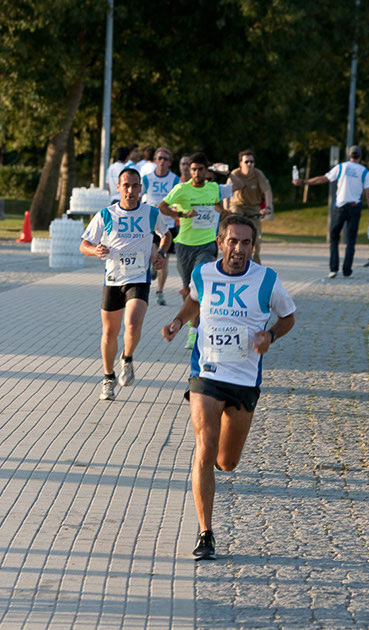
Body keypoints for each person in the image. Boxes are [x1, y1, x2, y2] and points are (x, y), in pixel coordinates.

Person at [162, 215, 295, 559]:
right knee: (204, 449)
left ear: (253, 246)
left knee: (227, 461)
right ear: (220, 243)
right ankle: (206, 532)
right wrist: (178, 320)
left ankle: (220, 461)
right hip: (206, 372)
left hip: (244, 380)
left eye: (246, 243)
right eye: (232, 241)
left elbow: (288, 317)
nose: (239, 249)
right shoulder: (203, 273)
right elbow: (195, 300)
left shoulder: (267, 279)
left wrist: (270, 335)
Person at [80, 168, 171, 401]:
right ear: (119, 187)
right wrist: (95, 250)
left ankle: (127, 358)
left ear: (141, 188)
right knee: (110, 333)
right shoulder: (106, 214)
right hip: (113, 279)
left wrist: (161, 253)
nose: (130, 190)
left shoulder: (151, 213)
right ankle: (108, 376)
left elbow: (166, 235)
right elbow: (84, 244)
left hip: (138, 278)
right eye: (126, 186)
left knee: (132, 324)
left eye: (135, 185)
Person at [158, 152, 231, 349]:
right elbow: (162, 206)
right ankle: (191, 323)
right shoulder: (181, 189)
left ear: (206, 171)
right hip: (184, 245)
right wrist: (182, 214)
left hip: (207, 244)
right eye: (193, 169)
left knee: (200, 283)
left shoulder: (213, 188)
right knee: (188, 290)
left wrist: (224, 213)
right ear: (189, 171)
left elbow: (216, 205)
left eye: (200, 169)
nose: (197, 173)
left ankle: (195, 330)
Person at [293, 145, 369, 278]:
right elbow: (368, 195)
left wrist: (304, 182)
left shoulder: (341, 167)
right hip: (355, 207)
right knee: (351, 240)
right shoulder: (365, 172)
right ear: (360, 156)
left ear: (349, 155)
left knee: (334, 237)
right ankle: (347, 270)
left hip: (340, 207)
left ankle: (334, 268)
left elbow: (323, 179)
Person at [141, 147, 180, 305]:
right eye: (160, 158)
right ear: (155, 160)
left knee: (164, 259)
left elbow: (178, 200)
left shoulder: (174, 179)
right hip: (151, 223)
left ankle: (159, 292)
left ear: (170, 162)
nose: (162, 161)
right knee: (152, 253)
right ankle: (152, 266)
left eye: (165, 159)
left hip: (168, 224)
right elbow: (139, 196)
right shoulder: (147, 178)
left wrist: (176, 212)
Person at [224, 149, 273, 264]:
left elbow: (267, 191)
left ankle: (256, 266)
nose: (249, 164)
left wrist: (268, 208)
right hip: (237, 206)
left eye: (252, 162)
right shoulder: (235, 174)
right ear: (240, 163)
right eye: (246, 162)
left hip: (253, 207)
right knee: (233, 234)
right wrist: (226, 209)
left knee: (256, 241)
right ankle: (229, 261)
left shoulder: (258, 174)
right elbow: (226, 191)